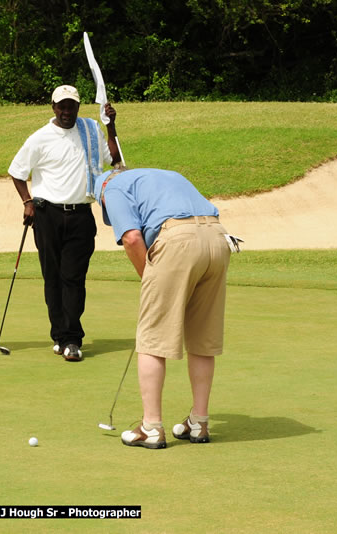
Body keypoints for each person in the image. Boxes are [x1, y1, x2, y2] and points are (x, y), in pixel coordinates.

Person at [93, 167, 240, 449]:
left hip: (178, 241)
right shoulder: (164, 176)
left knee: (151, 338)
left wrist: (148, 277)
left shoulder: (109, 188)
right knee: (202, 337)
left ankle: (151, 427)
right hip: (218, 239)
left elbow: (132, 238)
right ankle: (199, 422)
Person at [8, 84, 121, 362]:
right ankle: (58, 334)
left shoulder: (91, 130)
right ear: (53, 107)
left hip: (81, 215)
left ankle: (72, 339)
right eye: (62, 106)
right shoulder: (39, 138)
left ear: (78, 107)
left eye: (71, 106)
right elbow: (17, 172)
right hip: (47, 216)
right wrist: (27, 202)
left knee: (73, 278)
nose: (67, 111)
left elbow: (115, 160)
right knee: (53, 278)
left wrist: (110, 126)